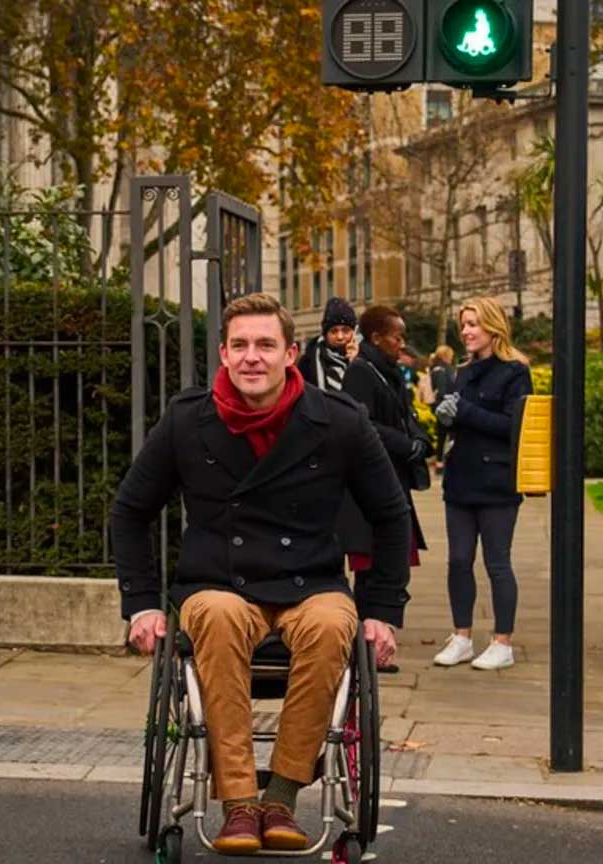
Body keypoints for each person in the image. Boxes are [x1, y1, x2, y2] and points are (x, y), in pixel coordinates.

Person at [111, 293, 411, 855]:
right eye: (241, 345)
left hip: (313, 583)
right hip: (218, 584)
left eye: (266, 345)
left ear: (291, 354)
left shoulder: (339, 422)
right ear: (224, 354)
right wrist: (142, 603)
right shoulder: (185, 420)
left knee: (329, 626)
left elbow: (391, 515)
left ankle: (282, 796)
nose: (253, 357)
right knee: (220, 617)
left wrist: (382, 612)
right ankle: (239, 805)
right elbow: (130, 511)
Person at [431, 296, 533, 672]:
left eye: (473, 324)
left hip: (496, 483)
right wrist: (444, 417)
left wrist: (466, 412)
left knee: (497, 562)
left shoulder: (514, 372)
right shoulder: (462, 371)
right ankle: (461, 636)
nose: (467, 332)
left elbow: (514, 426)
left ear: (493, 326)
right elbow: (461, 421)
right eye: (463, 325)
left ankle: (502, 642)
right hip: (460, 479)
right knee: (458, 561)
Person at [338, 306, 432, 660]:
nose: (401, 342)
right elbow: (362, 424)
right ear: (377, 337)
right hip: (369, 488)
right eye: (397, 336)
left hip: (392, 479)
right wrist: (405, 444)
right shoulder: (362, 372)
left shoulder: (387, 371)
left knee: (388, 567)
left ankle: (377, 641)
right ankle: (367, 645)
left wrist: (419, 440)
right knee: (372, 571)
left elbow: (403, 415)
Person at [298, 297, 358, 391]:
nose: (340, 337)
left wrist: (355, 362)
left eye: (345, 331)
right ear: (325, 334)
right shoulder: (308, 362)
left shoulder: (365, 360)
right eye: (334, 331)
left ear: (354, 333)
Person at [426, 345, 457, 471]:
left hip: (441, 405)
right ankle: (441, 461)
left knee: (442, 435)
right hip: (446, 406)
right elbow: (442, 389)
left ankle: (440, 460)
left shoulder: (436, 368)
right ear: (446, 355)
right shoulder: (442, 370)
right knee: (447, 434)